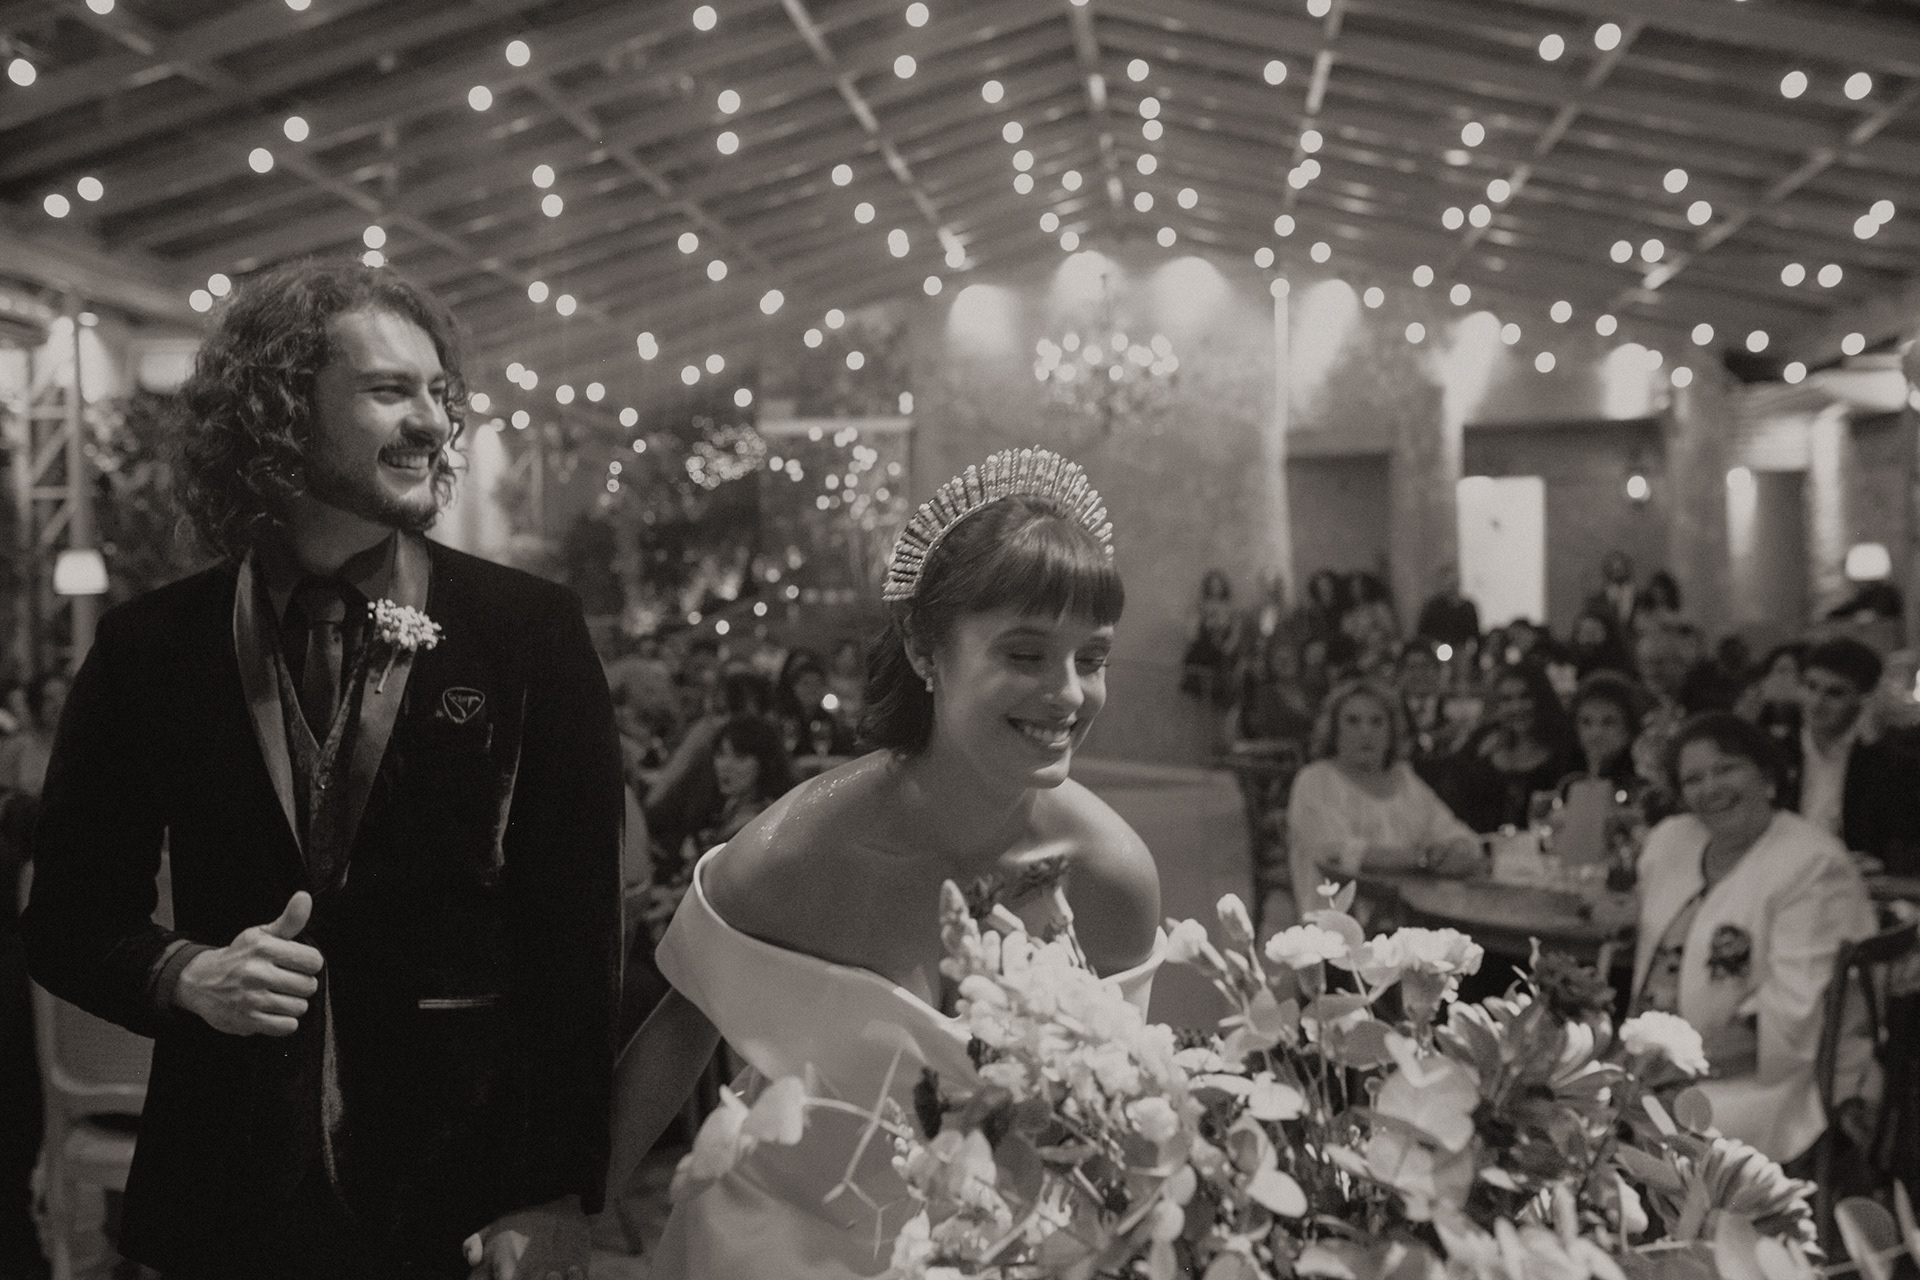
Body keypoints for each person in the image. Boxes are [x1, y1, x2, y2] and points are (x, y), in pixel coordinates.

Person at [20, 262, 624, 1280]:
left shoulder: (528, 631)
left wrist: (554, 1184)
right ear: (281, 412)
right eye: (390, 390)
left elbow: (576, 934)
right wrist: (187, 974)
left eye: (440, 392)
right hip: (224, 1190)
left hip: (458, 1195)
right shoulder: (150, 648)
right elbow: (68, 918)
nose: (433, 421)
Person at [603, 448, 1163, 1276]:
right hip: (779, 1249)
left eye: (1093, 658)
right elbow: (683, 1025)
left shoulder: (1112, 874)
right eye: (1026, 655)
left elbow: (1114, 1114)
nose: (1070, 694)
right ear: (925, 649)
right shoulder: (795, 851)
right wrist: (569, 1219)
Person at [1630, 713, 1877, 1166]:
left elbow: (1792, 1017)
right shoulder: (1671, 842)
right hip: (1655, 1060)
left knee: (1642, 1124)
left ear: (1767, 776)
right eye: (1693, 779)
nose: (1710, 788)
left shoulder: (1813, 865)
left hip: (1768, 1076)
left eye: (1726, 769)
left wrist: (1674, 1068)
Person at [1286, 678, 1482, 912]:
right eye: (1353, 721)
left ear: (1391, 731)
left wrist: (1459, 851)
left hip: (1413, 915)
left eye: (1377, 722)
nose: (1365, 732)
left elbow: (1453, 832)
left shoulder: (1406, 780)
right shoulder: (1315, 780)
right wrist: (1422, 859)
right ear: (1334, 730)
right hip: (1341, 923)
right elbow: (1337, 853)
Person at [1779, 637, 1920, 873]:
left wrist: (1875, 746)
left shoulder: (1887, 757)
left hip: (1856, 878)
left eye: (1834, 693)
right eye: (1811, 687)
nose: (1817, 702)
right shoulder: (1779, 750)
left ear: (1863, 699)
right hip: (1785, 873)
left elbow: (1903, 832)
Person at [1445, 663, 1581, 834]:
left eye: (1525, 697)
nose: (1516, 707)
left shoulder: (1566, 751)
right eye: (1506, 699)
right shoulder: (1482, 742)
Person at [773, 648, 855, 759]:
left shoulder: (827, 720)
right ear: (794, 687)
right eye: (806, 683)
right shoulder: (783, 718)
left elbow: (843, 754)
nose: (811, 689)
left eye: (817, 684)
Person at [1179, 568, 1243, 710]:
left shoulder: (1231, 607)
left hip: (1224, 649)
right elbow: (1192, 633)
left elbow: (1236, 631)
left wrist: (1228, 646)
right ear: (1207, 587)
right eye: (1212, 585)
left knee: (1226, 667)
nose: (1216, 589)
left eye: (1218, 585)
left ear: (1223, 586)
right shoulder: (1200, 606)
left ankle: (1223, 695)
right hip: (1205, 647)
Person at [1414, 562, 1480, 650]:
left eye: (1453, 583)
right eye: (1448, 584)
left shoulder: (1468, 607)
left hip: (1461, 649)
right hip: (1438, 649)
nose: (1451, 588)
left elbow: (1474, 633)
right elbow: (1423, 633)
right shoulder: (1432, 607)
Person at [1583, 550, 1639, 636]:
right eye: (1613, 568)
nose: (1617, 570)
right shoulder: (1595, 602)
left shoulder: (1642, 598)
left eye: (1621, 567)